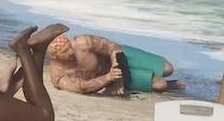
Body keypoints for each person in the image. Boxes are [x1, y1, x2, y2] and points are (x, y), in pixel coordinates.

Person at [47, 32, 184, 95]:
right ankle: (171, 84)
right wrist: (109, 78)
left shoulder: (82, 42)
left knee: (168, 68)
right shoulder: (59, 76)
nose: (71, 51)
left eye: (69, 47)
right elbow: (82, 87)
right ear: (55, 56)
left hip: (119, 57)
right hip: (110, 76)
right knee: (161, 84)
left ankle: (168, 81)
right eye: (65, 51)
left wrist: (116, 68)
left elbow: (112, 46)